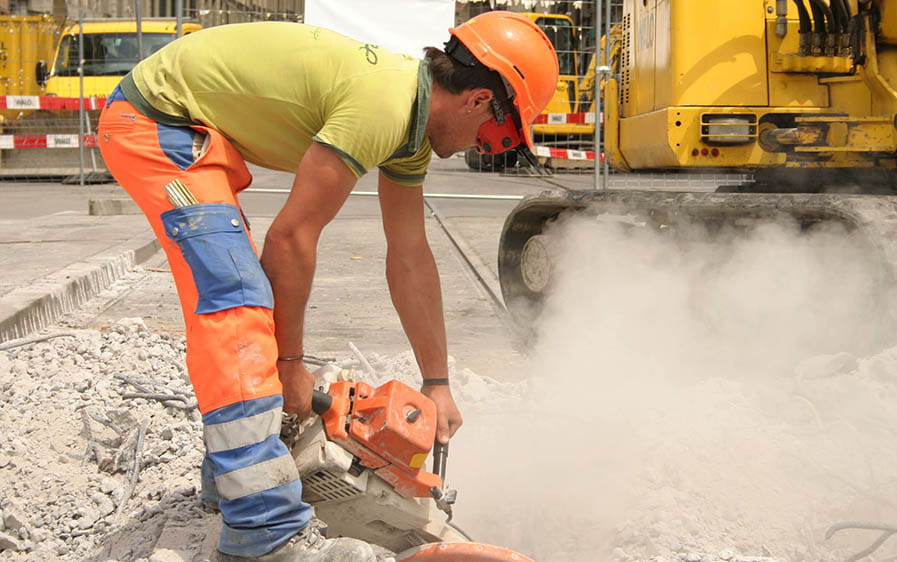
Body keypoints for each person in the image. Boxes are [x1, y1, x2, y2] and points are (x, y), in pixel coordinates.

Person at [97, 11, 557, 562]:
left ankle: (231, 483)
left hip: (193, 126)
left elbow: (410, 256)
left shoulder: (409, 127)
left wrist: (437, 382)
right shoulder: (384, 105)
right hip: (156, 121)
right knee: (237, 300)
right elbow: (291, 238)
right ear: (478, 100)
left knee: (252, 296)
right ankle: (266, 535)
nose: (484, 148)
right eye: (496, 134)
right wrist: (290, 367)